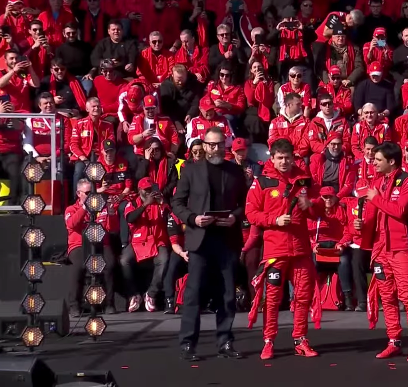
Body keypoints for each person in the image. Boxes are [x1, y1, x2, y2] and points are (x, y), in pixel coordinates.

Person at [171, 127, 248, 361]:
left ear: (225, 145)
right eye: (211, 144)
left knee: (227, 295)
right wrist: (193, 218)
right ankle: (187, 344)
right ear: (203, 146)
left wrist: (235, 216)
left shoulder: (235, 171)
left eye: (219, 144)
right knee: (194, 294)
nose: (215, 148)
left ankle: (225, 342)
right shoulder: (190, 170)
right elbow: (177, 202)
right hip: (199, 240)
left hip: (226, 240)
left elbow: (246, 203)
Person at [245, 138, 322, 360]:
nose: (284, 162)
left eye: (288, 157)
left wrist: (312, 206)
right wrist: (275, 220)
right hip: (275, 251)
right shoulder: (262, 182)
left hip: (300, 250)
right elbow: (251, 214)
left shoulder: (304, 180)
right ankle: (269, 341)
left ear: (293, 157)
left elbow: (320, 210)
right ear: (273, 157)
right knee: (273, 298)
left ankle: (300, 339)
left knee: (303, 297)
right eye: (280, 158)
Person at [356, 142, 408, 363]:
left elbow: (399, 212)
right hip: (380, 249)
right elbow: (371, 218)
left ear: (392, 161)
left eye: (378, 159)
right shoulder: (377, 182)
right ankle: (393, 341)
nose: (374, 162)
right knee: (387, 297)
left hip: (400, 249)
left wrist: (376, 198)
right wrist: (359, 226)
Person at [65, 179, 117, 316]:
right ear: (78, 193)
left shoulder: (102, 207)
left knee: (109, 264)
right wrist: (84, 207)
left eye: (92, 193)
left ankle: (109, 303)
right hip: (79, 243)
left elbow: (113, 228)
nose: (90, 196)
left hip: (100, 242)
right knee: (78, 266)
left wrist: (111, 214)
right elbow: (72, 224)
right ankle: (74, 305)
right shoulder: (71, 209)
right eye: (87, 193)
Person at [122, 177, 171, 312]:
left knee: (164, 259)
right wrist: (145, 205)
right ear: (140, 190)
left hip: (157, 240)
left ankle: (151, 294)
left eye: (151, 190)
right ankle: (134, 295)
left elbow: (170, 218)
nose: (149, 193)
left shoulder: (159, 202)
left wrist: (163, 203)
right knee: (124, 260)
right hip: (138, 241)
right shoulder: (132, 202)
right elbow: (130, 218)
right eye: (146, 190)